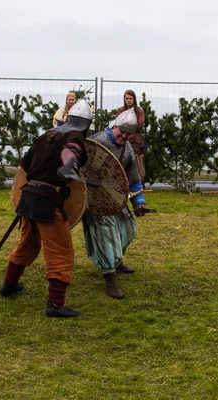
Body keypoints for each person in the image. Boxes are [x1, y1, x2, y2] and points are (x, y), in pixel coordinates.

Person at [0, 99, 92, 318]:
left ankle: (9, 285)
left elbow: (25, 165)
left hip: (28, 197)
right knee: (61, 251)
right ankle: (55, 305)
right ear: (86, 125)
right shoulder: (75, 137)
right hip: (47, 201)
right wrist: (67, 167)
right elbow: (71, 154)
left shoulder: (46, 135)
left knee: (28, 243)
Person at [83, 108, 148, 300]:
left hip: (114, 196)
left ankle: (117, 261)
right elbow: (79, 168)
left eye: (128, 134)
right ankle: (110, 278)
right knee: (106, 235)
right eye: (122, 132)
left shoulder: (127, 148)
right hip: (94, 199)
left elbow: (133, 178)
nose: (124, 136)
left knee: (128, 228)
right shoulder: (97, 142)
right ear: (115, 126)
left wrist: (138, 201)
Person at [116, 90, 146, 182]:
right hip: (123, 140)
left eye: (130, 98)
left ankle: (138, 184)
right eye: (127, 98)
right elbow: (118, 124)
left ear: (134, 99)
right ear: (124, 99)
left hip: (135, 141)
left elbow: (140, 124)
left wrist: (127, 126)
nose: (128, 100)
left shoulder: (139, 111)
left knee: (138, 166)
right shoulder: (121, 110)